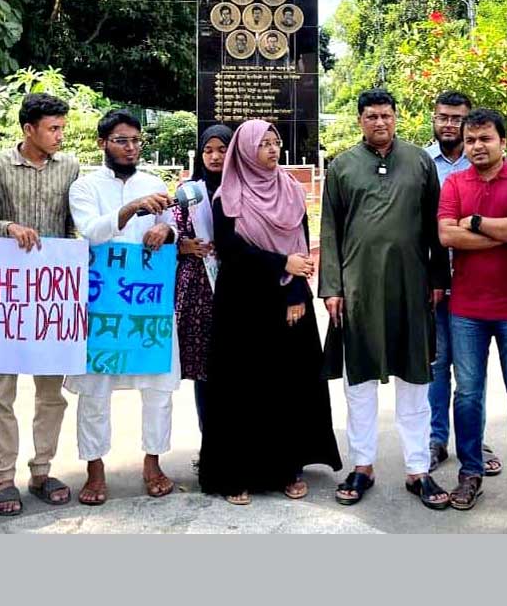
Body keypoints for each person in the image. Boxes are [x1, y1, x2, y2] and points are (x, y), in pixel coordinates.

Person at [198, 120, 342, 504]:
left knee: (286, 386)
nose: (272, 149)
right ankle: (236, 475)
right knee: (242, 389)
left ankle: (285, 469)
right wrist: (282, 263)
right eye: (263, 144)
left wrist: (297, 291)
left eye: (276, 143)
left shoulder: (292, 190)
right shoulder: (227, 196)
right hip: (242, 303)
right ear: (245, 149)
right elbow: (229, 249)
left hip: (286, 301)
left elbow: (302, 242)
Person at [319, 89, 451, 509]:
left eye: (387, 116)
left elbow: (436, 227)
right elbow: (329, 233)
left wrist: (437, 278)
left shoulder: (419, 161)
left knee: (414, 378)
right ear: (360, 120)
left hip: (411, 287)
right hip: (357, 290)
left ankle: (418, 470)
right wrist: (332, 287)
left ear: (397, 118)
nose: (380, 123)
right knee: (359, 380)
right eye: (372, 116)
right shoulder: (341, 167)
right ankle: (362, 467)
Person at [67, 109, 179, 506]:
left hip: (148, 301)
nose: (131, 148)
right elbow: (92, 232)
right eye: (121, 141)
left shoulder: (154, 182)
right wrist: (132, 209)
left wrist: (165, 228)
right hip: (102, 301)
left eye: (136, 141)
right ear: (103, 143)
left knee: (158, 387)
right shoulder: (84, 186)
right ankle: (95, 469)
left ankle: (153, 462)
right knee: (95, 388)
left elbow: (174, 229)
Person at [0, 93, 79, 516]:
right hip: (3, 296)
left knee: (51, 392)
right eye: (52, 128)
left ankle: (42, 470)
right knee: (2, 390)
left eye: (62, 128)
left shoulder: (70, 167)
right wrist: (7, 226)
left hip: (52, 295)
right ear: (28, 130)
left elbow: (76, 227)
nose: (59, 136)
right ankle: (3, 477)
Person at [437, 108, 507, 516]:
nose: (477, 146)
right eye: (471, 140)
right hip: (466, 309)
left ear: (502, 141)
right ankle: (470, 473)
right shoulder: (454, 181)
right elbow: (448, 235)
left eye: (485, 139)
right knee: (467, 395)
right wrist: (503, 232)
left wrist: (476, 222)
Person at [423, 91, 501, 476]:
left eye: (458, 119)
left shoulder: (487, 166)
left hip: (479, 282)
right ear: (433, 120)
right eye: (444, 117)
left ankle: (473, 439)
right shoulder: (420, 164)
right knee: (436, 365)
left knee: (472, 370)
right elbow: (425, 229)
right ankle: (436, 438)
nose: (450, 125)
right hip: (433, 284)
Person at [173, 124, 233, 434]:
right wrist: (185, 245)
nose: (214, 156)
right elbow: (171, 232)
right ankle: (208, 442)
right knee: (203, 369)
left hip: (234, 284)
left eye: (222, 149)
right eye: (208, 150)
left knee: (234, 367)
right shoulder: (188, 191)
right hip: (198, 287)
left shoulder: (244, 187)